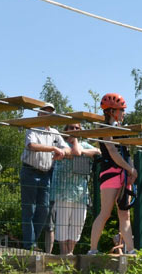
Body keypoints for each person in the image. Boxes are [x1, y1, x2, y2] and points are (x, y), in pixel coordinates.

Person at [87, 93, 136, 254]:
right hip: (110, 173)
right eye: (121, 110)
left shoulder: (122, 129)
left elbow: (127, 152)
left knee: (125, 214)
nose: (123, 113)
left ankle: (131, 250)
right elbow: (113, 153)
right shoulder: (105, 129)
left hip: (124, 174)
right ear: (112, 111)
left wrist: (131, 170)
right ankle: (93, 249)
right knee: (105, 212)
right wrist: (130, 169)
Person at [20, 102, 67, 250]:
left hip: (46, 174)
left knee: (44, 210)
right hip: (30, 171)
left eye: (51, 113)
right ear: (39, 114)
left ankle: (33, 242)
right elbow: (31, 146)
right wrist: (54, 148)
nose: (48, 115)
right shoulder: (32, 128)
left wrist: (62, 153)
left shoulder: (54, 132)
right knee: (29, 209)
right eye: (45, 112)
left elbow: (65, 147)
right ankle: (30, 244)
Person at [52, 123, 99, 255]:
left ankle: (70, 253)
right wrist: (78, 148)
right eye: (71, 128)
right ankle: (64, 253)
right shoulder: (61, 144)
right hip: (63, 192)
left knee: (78, 224)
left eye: (77, 128)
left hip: (81, 193)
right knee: (62, 225)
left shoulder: (84, 145)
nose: (74, 130)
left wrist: (81, 149)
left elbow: (98, 151)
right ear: (66, 130)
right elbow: (76, 152)